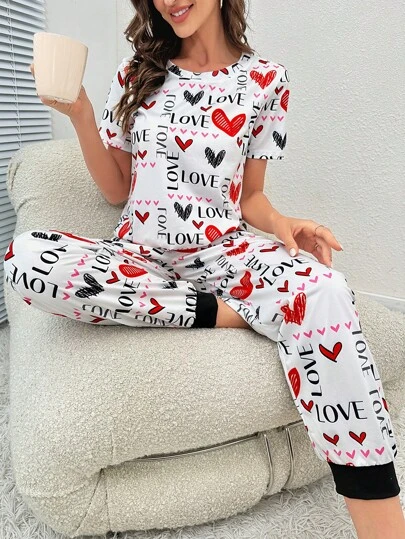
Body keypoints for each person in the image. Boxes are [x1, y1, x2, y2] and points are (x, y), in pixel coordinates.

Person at [4, 0, 405, 536]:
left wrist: (283, 223)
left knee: (326, 290)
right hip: (140, 259)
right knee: (25, 257)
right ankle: (230, 314)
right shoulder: (137, 72)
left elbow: (251, 196)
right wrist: (79, 111)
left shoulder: (267, 80)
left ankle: (383, 527)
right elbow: (117, 189)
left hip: (224, 254)